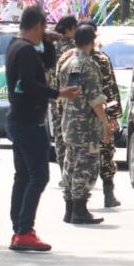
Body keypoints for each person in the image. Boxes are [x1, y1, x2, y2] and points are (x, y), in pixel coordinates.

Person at [7, 6, 79, 252]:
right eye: (43, 29)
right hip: (28, 121)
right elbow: (30, 84)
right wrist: (58, 93)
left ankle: (19, 227)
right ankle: (24, 230)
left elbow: (47, 63)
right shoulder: (25, 50)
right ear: (37, 25)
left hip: (20, 119)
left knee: (24, 175)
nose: (44, 33)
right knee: (39, 176)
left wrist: (47, 43)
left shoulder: (15, 46)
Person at [57, 24, 113, 226]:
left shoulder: (69, 62)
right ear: (91, 41)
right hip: (85, 127)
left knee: (71, 164)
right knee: (86, 166)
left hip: (70, 123)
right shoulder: (88, 65)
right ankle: (79, 209)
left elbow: (74, 91)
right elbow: (94, 99)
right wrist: (105, 124)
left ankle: (70, 208)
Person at [85, 21, 123, 208]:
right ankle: (108, 193)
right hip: (100, 115)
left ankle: (78, 201)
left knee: (81, 156)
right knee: (106, 154)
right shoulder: (101, 59)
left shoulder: (70, 58)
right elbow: (110, 89)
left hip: (79, 118)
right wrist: (112, 116)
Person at [49, 16, 78, 178]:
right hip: (70, 96)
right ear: (68, 30)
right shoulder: (72, 49)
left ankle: (64, 173)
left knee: (60, 135)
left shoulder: (51, 46)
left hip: (55, 96)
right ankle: (72, 173)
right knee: (71, 135)